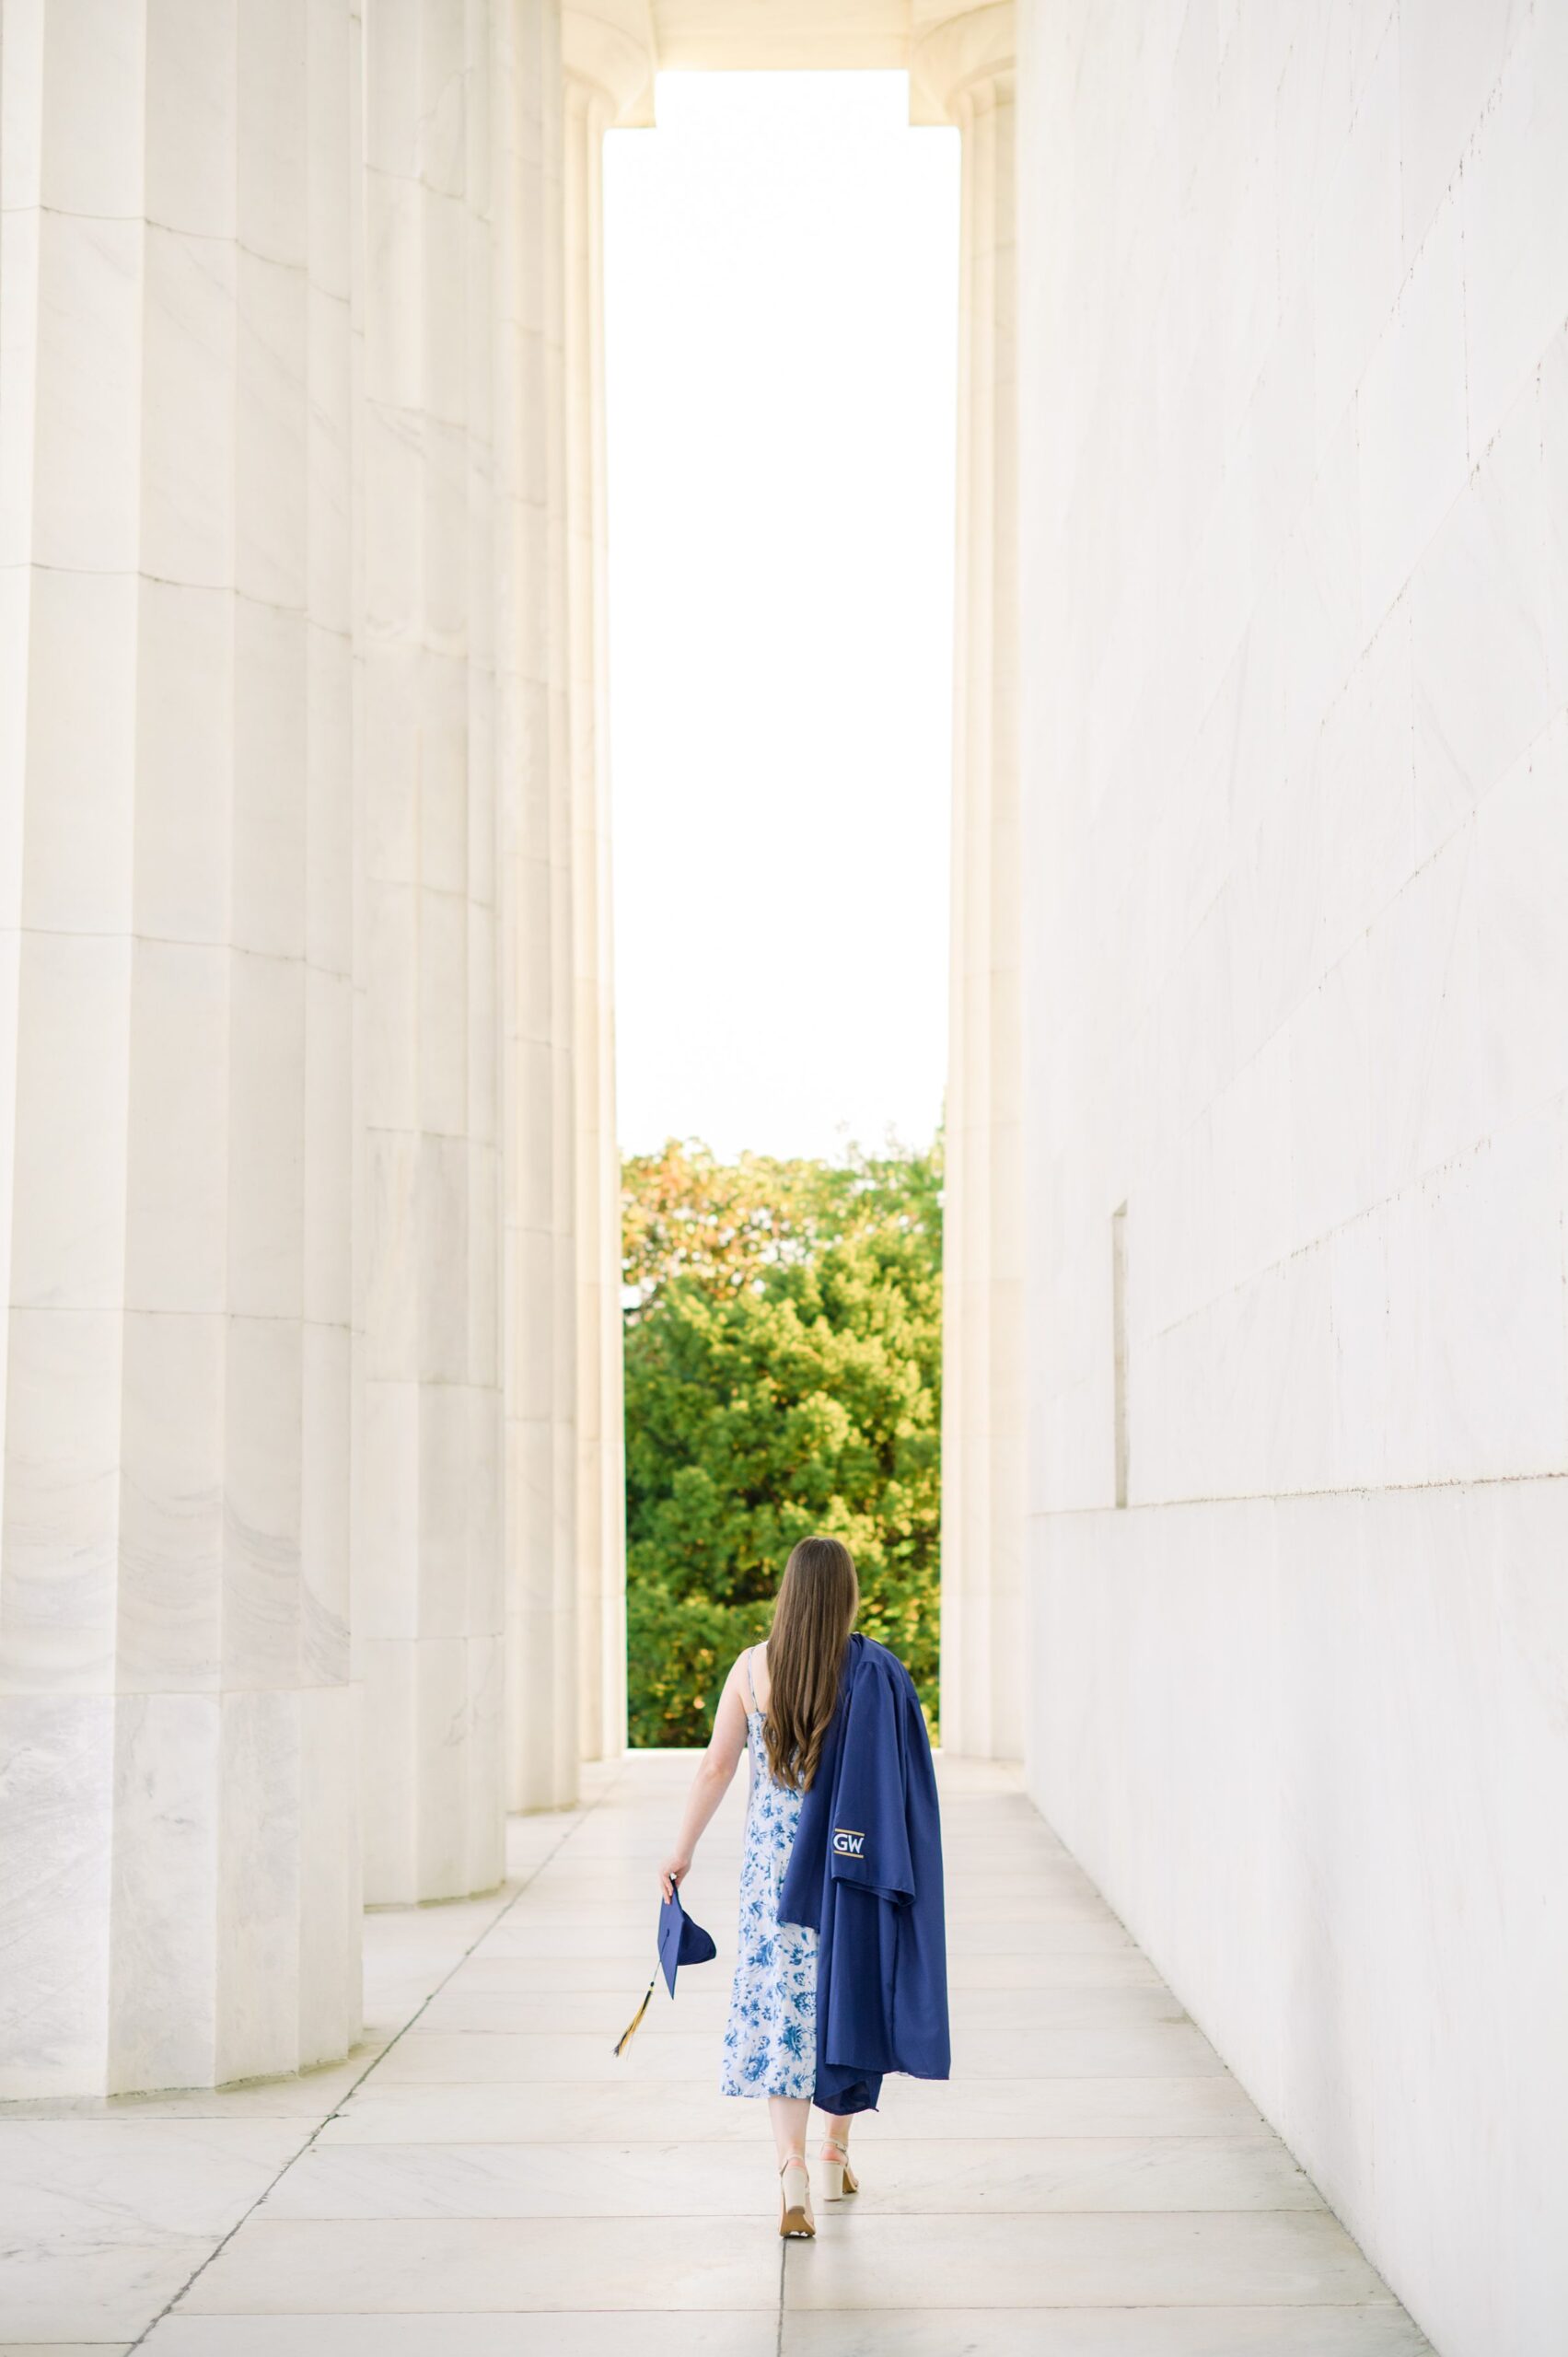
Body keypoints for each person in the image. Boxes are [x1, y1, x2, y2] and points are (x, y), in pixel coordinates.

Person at [658, 1533, 947, 2240]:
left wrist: (680, 1851)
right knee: (841, 2003)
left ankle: (789, 2168)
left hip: (771, 1875)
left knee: (783, 2014)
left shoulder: (752, 1669)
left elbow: (715, 1769)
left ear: (788, 1594)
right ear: (844, 1595)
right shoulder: (870, 1675)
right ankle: (832, 2152)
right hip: (847, 1871)